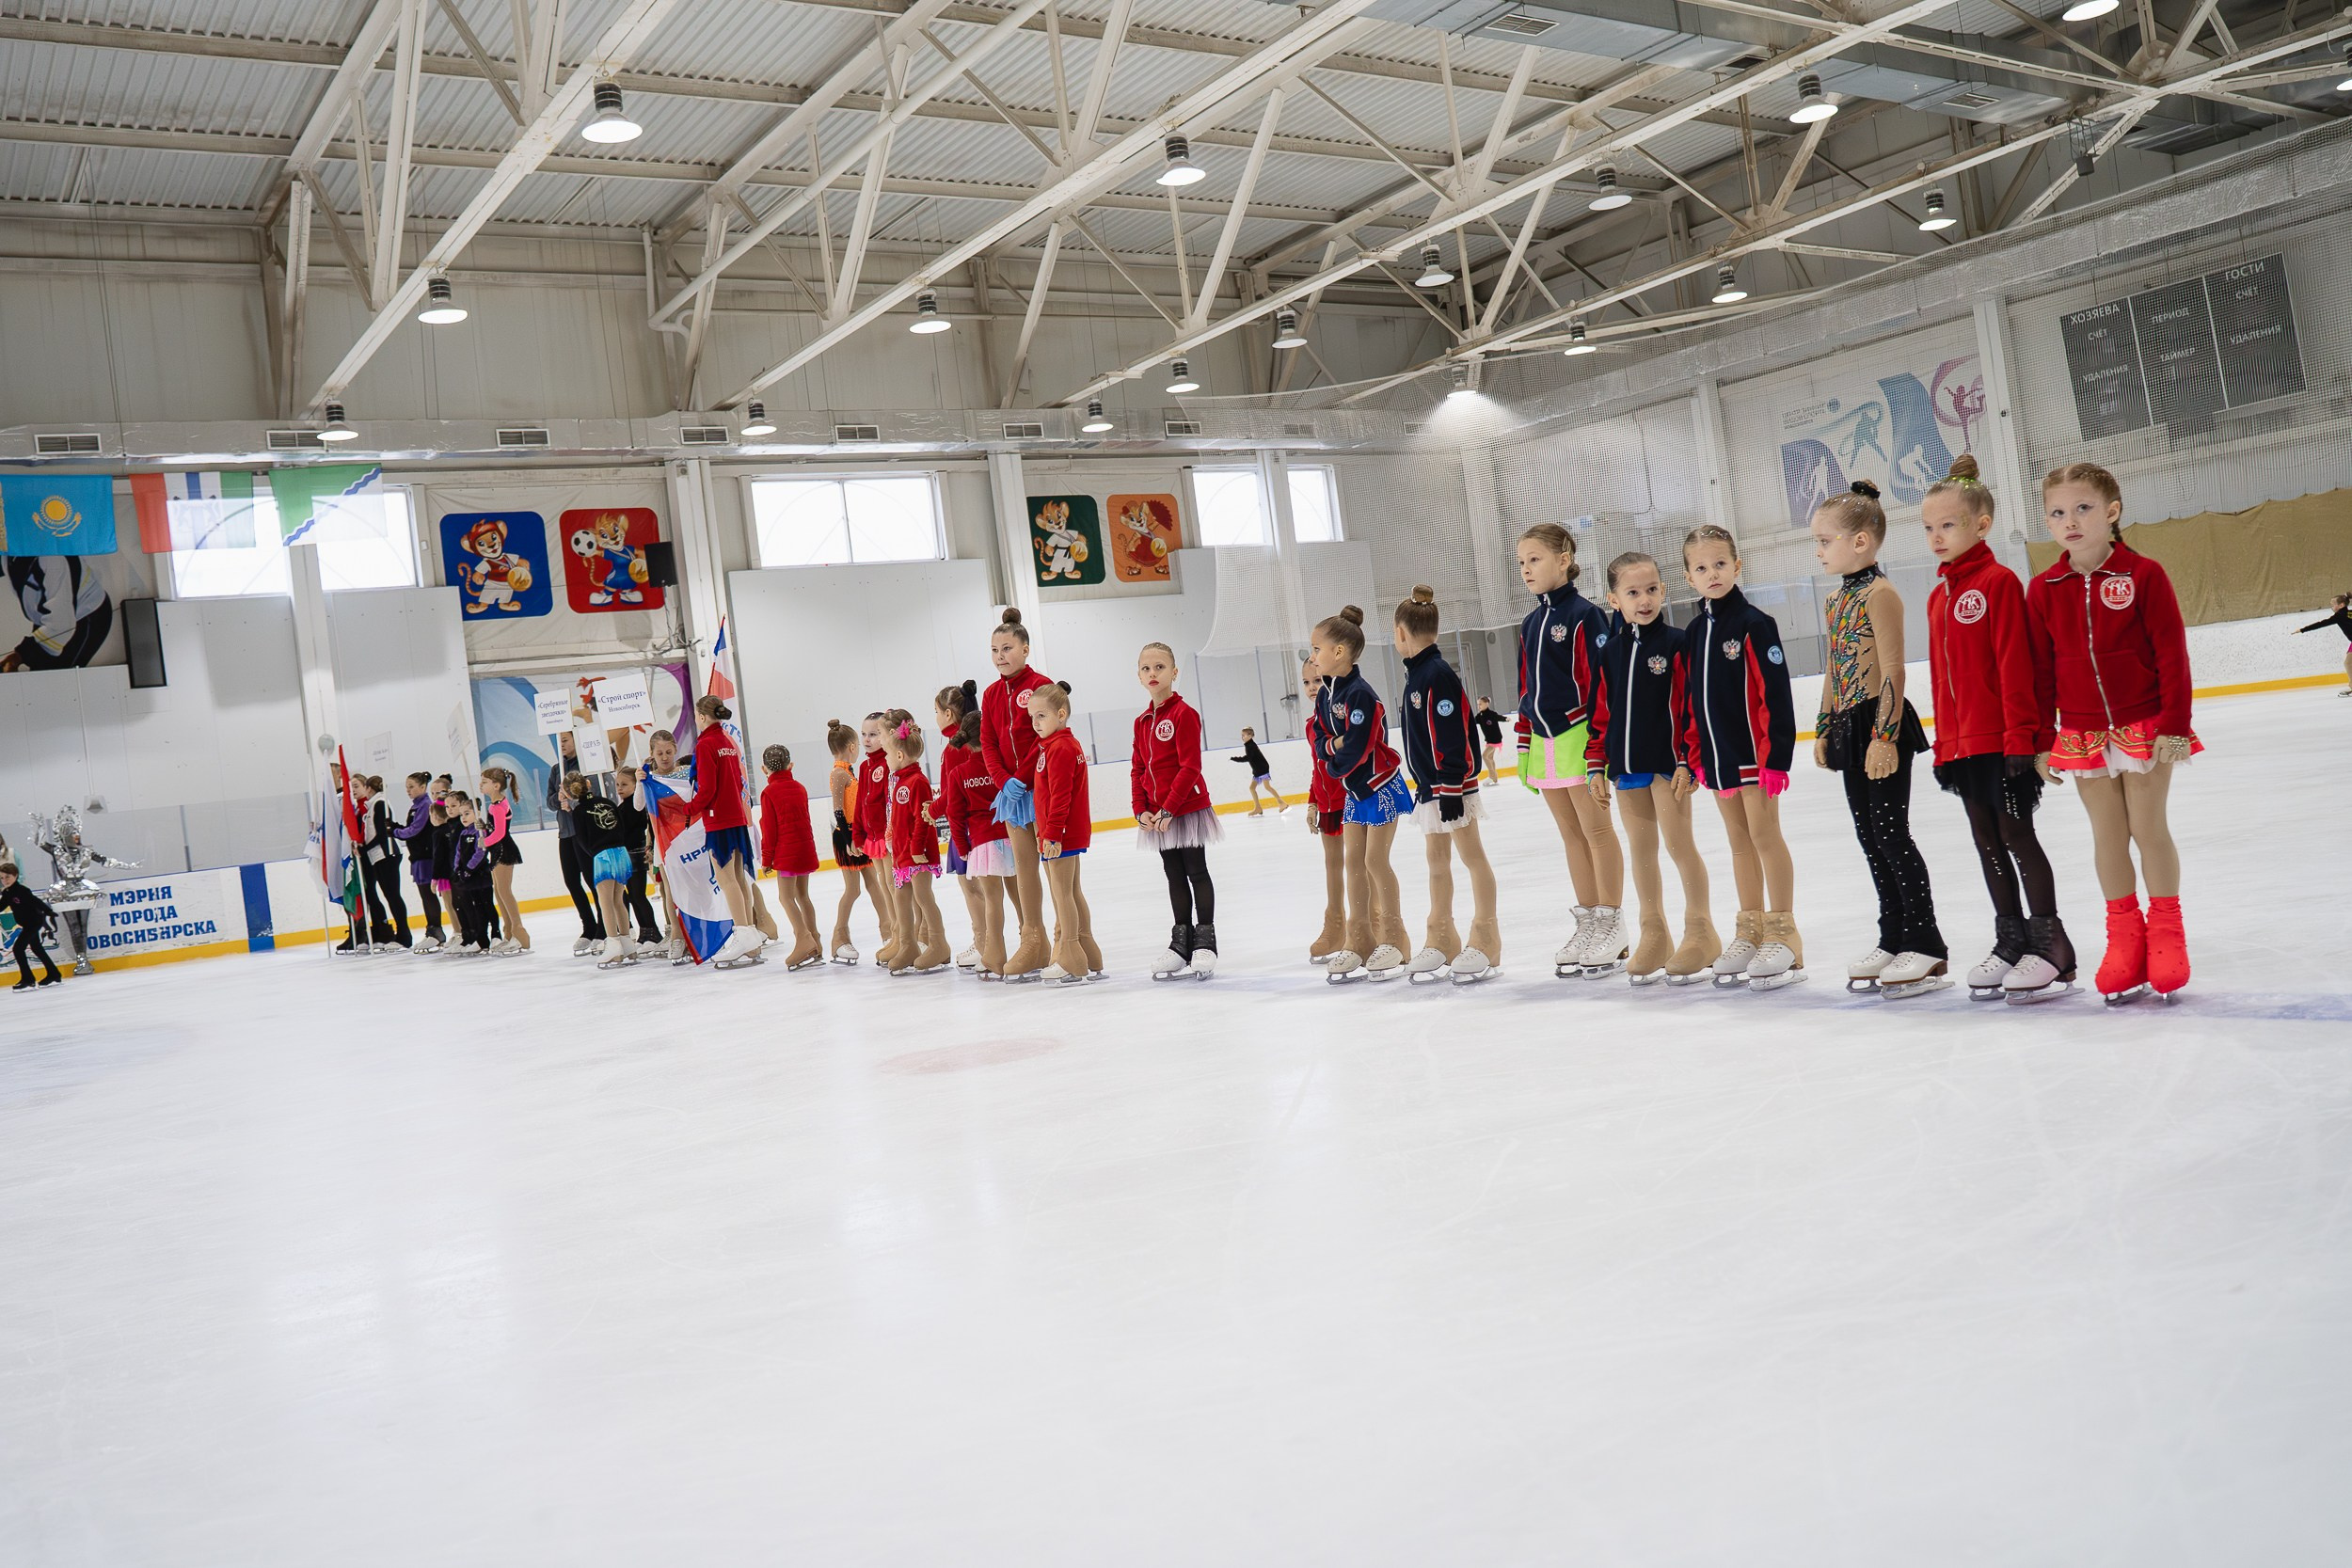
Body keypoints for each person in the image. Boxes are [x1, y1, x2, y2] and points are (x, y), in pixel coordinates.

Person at [2026, 461, 2198, 1005]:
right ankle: (2124, 938)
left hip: (2144, 725)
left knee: (2148, 829)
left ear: (2112, 512)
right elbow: (2040, 672)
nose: (2070, 521)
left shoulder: (2143, 575)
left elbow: (2171, 654)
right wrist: (2041, 739)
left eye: (2083, 508)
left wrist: (2174, 724)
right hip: (2080, 732)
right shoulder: (2044, 588)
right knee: (2107, 836)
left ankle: (2166, 931)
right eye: (2057, 512)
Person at [1922, 456, 2074, 1002]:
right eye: (1930, 527)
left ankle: (2051, 944)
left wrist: (2023, 740)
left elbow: (2016, 665)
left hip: (2003, 744)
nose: (1937, 537)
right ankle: (2010, 940)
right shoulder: (1938, 597)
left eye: (1948, 525)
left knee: (2016, 836)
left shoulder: (1999, 582)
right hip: (1963, 746)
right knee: (1985, 840)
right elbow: (1943, 681)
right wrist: (1944, 743)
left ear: (1980, 525)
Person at [1811, 481, 1947, 998]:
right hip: (1849, 725)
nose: (1819, 550)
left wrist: (1884, 737)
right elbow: (1833, 667)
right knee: (1870, 839)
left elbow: (1893, 670)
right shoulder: (1836, 600)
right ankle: (1893, 938)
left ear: (1861, 542)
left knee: (1892, 834)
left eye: (1826, 541)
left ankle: (1925, 942)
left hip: (1879, 723)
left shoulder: (1880, 594)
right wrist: (1825, 725)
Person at [1678, 525, 1801, 990]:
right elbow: (1692, 700)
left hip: (1756, 757)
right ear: (1690, 577)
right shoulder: (1693, 633)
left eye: (1720, 564)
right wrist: (1696, 755)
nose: (1712, 574)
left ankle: (1784, 932)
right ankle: (1749, 930)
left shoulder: (1754, 624)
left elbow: (1776, 696)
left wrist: (1776, 759)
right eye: (1702, 568)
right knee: (1738, 842)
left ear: (1737, 566)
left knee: (1765, 837)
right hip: (1718, 759)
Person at [1589, 551, 1716, 985]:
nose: (1644, 599)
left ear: (1663, 590)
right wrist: (1595, 766)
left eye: (1652, 589)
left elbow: (1690, 707)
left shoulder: (1677, 644)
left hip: (1668, 766)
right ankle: (1654, 933)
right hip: (1626, 769)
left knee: (1680, 847)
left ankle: (1700, 931)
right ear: (1614, 599)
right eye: (1633, 592)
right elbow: (1600, 713)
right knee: (1641, 852)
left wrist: (1688, 760)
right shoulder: (1609, 652)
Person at [1514, 523, 1628, 976]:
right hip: (1543, 741)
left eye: (1535, 559)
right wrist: (1525, 743)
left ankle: (1612, 923)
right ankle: (1587, 920)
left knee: (1597, 832)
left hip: (1580, 737)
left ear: (1564, 558)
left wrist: (1600, 746)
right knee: (1571, 835)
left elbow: (1602, 685)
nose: (1526, 569)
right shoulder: (1529, 622)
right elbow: (1525, 686)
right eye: (1521, 562)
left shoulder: (1585, 616)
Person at [1394, 587, 1501, 983]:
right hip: (1431, 788)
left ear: (1402, 633)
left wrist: (1453, 783)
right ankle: (1442, 937)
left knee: (1472, 857)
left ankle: (1487, 937)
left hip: (1451, 787)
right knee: (1436, 862)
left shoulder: (1436, 675)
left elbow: (1453, 732)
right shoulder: (1417, 676)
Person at [1312, 605, 1413, 982]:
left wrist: (1332, 761)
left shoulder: (1361, 695)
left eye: (1316, 649)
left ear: (1338, 652)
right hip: (1354, 791)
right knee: (1353, 863)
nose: (1312, 656)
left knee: (1375, 862)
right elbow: (1321, 739)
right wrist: (1331, 750)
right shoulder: (1326, 695)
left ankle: (1395, 939)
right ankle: (1360, 939)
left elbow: (1356, 746)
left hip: (1379, 787)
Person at [1133, 641, 1221, 980]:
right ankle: (1180, 943)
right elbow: (1137, 769)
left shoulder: (1184, 714)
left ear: (1174, 672)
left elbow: (1190, 767)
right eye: (1146, 669)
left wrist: (1169, 808)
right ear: (1139, 675)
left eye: (1159, 667)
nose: (1153, 674)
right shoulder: (1141, 722)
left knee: (1196, 871)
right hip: (1158, 816)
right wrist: (1141, 810)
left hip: (1186, 809)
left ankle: (1205, 942)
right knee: (1173, 875)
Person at [981, 608, 1056, 980]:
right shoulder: (992, 693)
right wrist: (1002, 780)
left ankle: (1067, 941)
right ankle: (1033, 940)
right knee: (1025, 869)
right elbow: (988, 741)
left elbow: (1044, 737)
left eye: (1007, 648)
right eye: (994, 649)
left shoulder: (1041, 686)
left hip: (1040, 787)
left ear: (1025, 649)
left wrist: (1022, 777)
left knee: (1057, 869)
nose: (1000, 656)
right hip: (1010, 794)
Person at [686, 694, 766, 968]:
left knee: (726, 878)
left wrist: (688, 809)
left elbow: (707, 790)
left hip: (719, 819)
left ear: (702, 716)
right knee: (739, 878)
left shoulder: (707, 744)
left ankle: (743, 933)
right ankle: (750, 936)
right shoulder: (727, 742)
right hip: (735, 817)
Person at [1028, 682, 1099, 985]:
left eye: (1041, 716)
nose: (1036, 723)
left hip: (1062, 834)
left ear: (1061, 714)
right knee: (1071, 891)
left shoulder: (1061, 748)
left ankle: (1071, 955)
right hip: (1060, 832)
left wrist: (1052, 835)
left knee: (1062, 893)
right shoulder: (1056, 746)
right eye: (1032, 717)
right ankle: (1088, 952)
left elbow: (1060, 797)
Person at [937, 682, 1004, 975]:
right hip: (982, 825)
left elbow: (953, 795)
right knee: (981, 888)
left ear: (950, 714)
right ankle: (987, 943)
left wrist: (932, 810)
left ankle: (983, 943)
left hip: (968, 826)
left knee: (972, 888)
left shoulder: (955, 746)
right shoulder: (973, 738)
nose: (936, 718)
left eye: (937, 712)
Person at [882, 716, 952, 975]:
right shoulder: (900, 780)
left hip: (918, 854)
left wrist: (916, 849)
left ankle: (939, 943)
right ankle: (908, 944)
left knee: (923, 897)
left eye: (887, 753)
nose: (885, 758)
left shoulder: (917, 782)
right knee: (901, 897)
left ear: (899, 755)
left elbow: (923, 818)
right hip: (902, 854)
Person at [1300, 651, 1349, 965]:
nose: (1312, 687)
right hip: (1328, 804)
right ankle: (1335, 926)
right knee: (1333, 866)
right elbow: (1317, 769)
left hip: (1352, 799)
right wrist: (1312, 803)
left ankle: (1371, 922)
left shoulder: (1339, 715)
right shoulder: (1310, 725)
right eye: (1306, 682)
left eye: (1317, 679)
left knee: (1363, 864)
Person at [758, 743, 824, 970]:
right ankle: (815, 940)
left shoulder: (769, 792)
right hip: (804, 848)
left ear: (764, 769)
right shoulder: (800, 787)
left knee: (785, 898)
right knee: (803, 896)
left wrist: (767, 859)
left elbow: (769, 829)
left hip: (787, 852)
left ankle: (803, 939)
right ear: (791, 765)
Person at [564, 774, 639, 969]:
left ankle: (613, 943)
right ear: (588, 784)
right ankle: (627, 943)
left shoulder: (579, 812)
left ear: (568, 793)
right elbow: (621, 827)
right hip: (621, 853)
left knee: (605, 902)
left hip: (602, 856)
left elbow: (582, 840)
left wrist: (595, 853)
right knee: (618, 901)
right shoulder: (608, 802)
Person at [546, 731, 606, 955]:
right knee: (572, 881)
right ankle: (588, 926)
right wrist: (558, 799)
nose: (561, 744)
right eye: (559, 741)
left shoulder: (587, 765)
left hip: (584, 830)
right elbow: (549, 801)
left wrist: (572, 798)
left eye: (565, 740)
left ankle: (604, 926)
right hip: (565, 833)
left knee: (593, 881)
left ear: (575, 740)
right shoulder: (556, 770)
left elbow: (594, 793)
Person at [855, 712, 904, 968]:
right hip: (872, 837)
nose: (867, 739)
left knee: (893, 885)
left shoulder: (888, 763)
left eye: (873, 734)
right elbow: (861, 802)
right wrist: (857, 833)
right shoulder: (864, 767)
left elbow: (889, 802)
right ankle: (894, 933)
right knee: (885, 888)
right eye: (864, 734)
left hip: (887, 835)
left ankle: (903, 935)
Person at [823, 721, 871, 965]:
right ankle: (839, 938)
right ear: (852, 746)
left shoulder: (848, 771)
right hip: (846, 836)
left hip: (857, 833)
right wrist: (850, 839)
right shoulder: (839, 773)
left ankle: (890, 934)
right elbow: (838, 811)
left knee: (875, 887)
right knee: (853, 889)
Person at [356, 775, 413, 949]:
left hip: (387, 855)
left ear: (368, 788)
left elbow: (381, 834)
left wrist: (363, 849)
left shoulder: (380, 804)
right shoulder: (373, 805)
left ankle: (404, 935)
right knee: (390, 896)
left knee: (393, 895)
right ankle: (400, 933)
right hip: (379, 856)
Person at [478, 767, 530, 955]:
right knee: (499, 892)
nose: (480, 785)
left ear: (496, 785)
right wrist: (484, 828)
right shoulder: (495, 805)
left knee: (504, 892)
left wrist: (485, 840)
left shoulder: (498, 806)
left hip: (503, 850)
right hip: (497, 850)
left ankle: (518, 932)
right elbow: (494, 829)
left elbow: (500, 833)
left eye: (484, 782)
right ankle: (509, 933)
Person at [390, 771, 444, 952]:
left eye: (411, 786)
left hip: (427, 856)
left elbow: (415, 829)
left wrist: (395, 832)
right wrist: (397, 828)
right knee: (424, 894)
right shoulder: (416, 806)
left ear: (423, 787)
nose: (408, 790)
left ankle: (436, 930)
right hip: (419, 855)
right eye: (406, 787)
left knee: (428, 894)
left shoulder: (425, 805)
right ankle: (432, 930)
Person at [612, 765, 664, 946]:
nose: (619, 788)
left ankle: (652, 932)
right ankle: (645, 932)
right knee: (633, 896)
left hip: (635, 852)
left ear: (635, 786)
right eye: (617, 784)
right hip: (627, 854)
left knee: (638, 895)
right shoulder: (623, 806)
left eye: (624, 784)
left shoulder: (635, 806)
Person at [1, 862, 63, 990]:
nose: (5, 880)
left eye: (8, 877)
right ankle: (54, 974)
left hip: (34, 922)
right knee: (37, 948)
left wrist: (47, 910)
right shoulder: (7, 893)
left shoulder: (22, 891)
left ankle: (28, 979)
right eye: (2, 878)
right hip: (27, 924)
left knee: (18, 949)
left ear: (16, 876)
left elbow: (35, 901)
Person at [447, 792, 493, 955]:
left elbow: (480, 852)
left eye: (467, 814)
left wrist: (468, 869)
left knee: (488, 906)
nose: (463, 818)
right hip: (469, 877)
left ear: (477, 813)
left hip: (481, 875)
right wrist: (458, 869)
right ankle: (481, 940)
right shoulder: (464, 833)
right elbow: (458, 853)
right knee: (477, 908)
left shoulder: (479, 831)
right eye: (461, 815)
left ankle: (495, 935)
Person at [2296, 592, 2352, 695]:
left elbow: (2321, 624)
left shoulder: (2339, 616)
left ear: (2341, 605)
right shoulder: (2349, 613)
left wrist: (2303, 629)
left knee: (2348, 663)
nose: (2332, 607)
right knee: (2348, 663)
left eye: (2333, 605)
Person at [1230, 728, 1287, 816]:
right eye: (1242, 735)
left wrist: (1235, 759)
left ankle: (1282, 803)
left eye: (1243, 735)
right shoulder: (1248, 745)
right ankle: (1258, 808)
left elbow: (1248, 758)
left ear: (1250, 735)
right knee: (1252, 788)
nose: (1242, 737)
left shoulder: (1251, 746)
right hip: (1257, 770)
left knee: (1267, 787)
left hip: (1262, 768)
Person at [1472, 697, 1506, 785]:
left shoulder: (1492, 714)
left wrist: (1506, 718)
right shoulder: (1480, 716)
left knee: (1484, 756)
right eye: (1478, 704)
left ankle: (1492, 776)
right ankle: (1494, 779)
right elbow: (1472, 722)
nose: (1479, 706)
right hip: (1489, 740)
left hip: (1495, 739)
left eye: (1480, 704)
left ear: (1487, 704)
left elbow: (1499, 717)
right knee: (1490, 758)